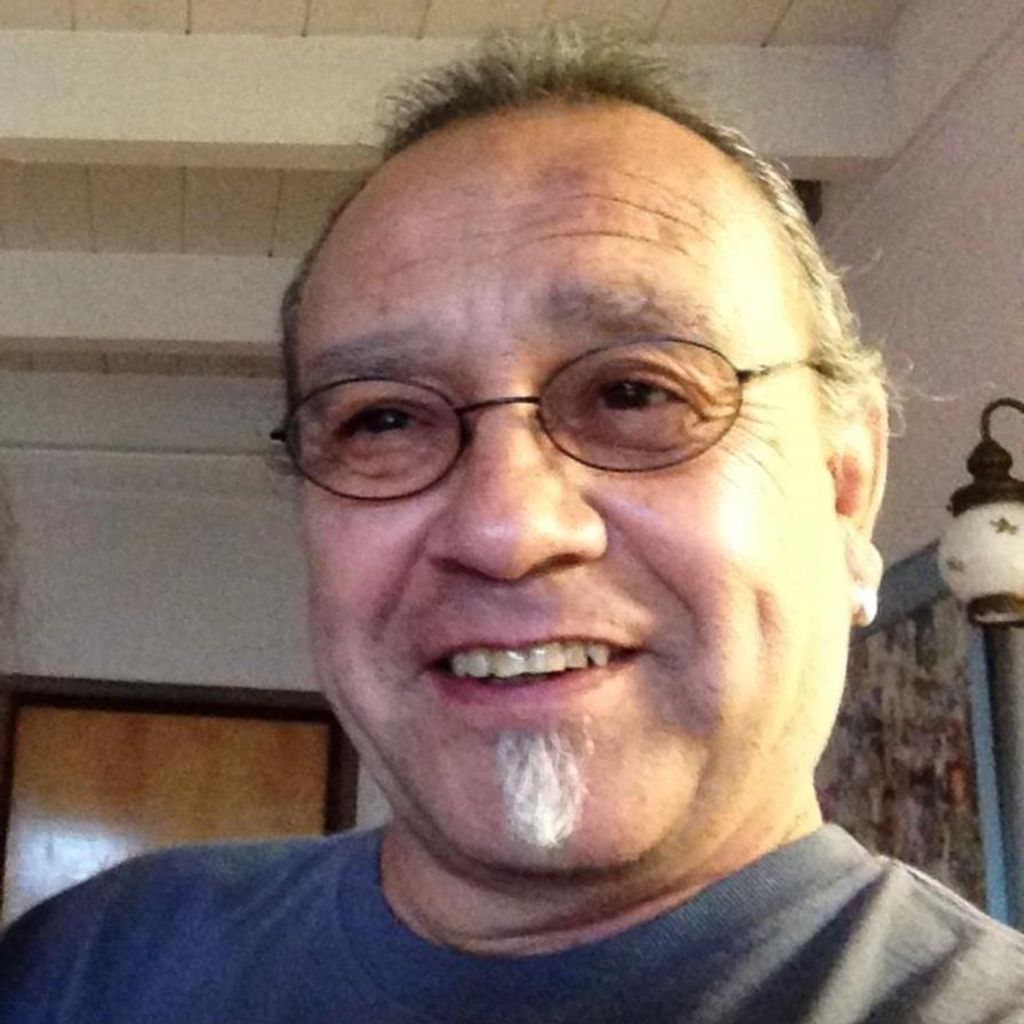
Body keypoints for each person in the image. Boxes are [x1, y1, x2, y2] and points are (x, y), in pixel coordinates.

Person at [1, 24, 1022, 1024]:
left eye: (634, 393)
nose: (505, 528)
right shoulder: (87, 963)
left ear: (843, 488)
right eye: (382, 418)